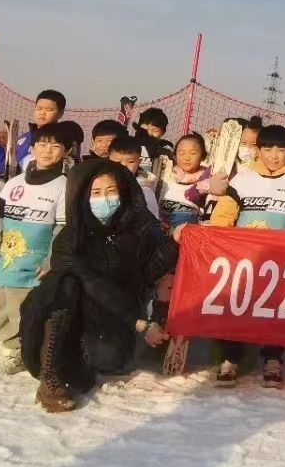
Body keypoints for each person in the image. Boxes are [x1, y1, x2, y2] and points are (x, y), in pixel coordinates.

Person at [20, 157, 181, 413]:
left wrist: (173, 242)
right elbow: (94, 285)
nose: (104, 199)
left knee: (109, 362)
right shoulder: (70, 239)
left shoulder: (134, 230)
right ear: (82, 196)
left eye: (111, 191)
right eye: (96, 193)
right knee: (62, 283)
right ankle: (50, 376)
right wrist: (140, 323)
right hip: (73, 314)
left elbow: (147, 273)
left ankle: (86, 355)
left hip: (110, 320)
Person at [205, 124, 285, 387]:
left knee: (276, 311)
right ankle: (230, 358)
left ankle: (273, 360)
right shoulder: (243, 179)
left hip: (280, 262)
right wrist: (220, 243)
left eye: (280, 150)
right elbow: (224, 215)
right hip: (243, 260)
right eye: (268, 149)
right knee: (235, 307)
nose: (274, 156)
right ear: (258, 150)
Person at [0, 122, 75, 373]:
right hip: (6, 259)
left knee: (23, 308)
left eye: (55, 146)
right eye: (42, 144)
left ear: (66, 151)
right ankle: (2, 340)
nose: (47, 151)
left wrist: (51, 261)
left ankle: (18, 349)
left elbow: (63, 229)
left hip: (34, 265)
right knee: (1, 304)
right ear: (32, 148)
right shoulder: (14, 183)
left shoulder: (64, 187)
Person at [159, 132, 213, 231]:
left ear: (203, 156)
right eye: (181, 153)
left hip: (187, 223)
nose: (187, 158)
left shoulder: (207, 177)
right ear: (175, 156)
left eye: (193, 153)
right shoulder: (166, 173)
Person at [10, 89, 68, 168]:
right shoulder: (24, 137)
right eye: (39, 108)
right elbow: (7, 166)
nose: (42, 113)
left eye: (49, 110)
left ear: (61, 113)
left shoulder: (64, 139)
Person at [108, 137, 159, 218]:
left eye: (131, 161)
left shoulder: (145, 192)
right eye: (118, 162)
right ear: (108, 160)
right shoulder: (99, 184)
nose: (124, 166)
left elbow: (153, 221)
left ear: (139, 162)